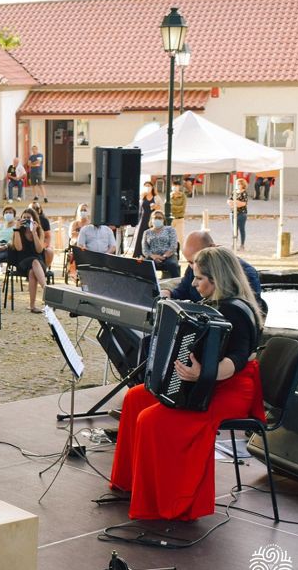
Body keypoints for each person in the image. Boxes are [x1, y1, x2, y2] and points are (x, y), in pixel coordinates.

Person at [110, 246, 265, 521]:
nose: (193, 284)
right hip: (210, 383)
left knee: (152, 419)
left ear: (217, 279)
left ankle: (163, 503)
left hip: (231, 389)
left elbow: (237, 360)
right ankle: (132, 484)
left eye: (199, 278)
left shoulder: (236, 311)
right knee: (136, 398)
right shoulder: (215, 304)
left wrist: (202, 375)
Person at [161, 230, 263, 306]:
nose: (193, 267)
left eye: (197, 259)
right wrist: (168, 293)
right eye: (190, 262)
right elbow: (182, 291)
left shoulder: (247, 273)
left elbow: (252, 310)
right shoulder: (194, 267)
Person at [12, 208, 47, 313]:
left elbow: (39, 249)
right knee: (34, 262)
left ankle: (32, 306)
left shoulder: (39, 230)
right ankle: (46, 289)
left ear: (34, 219)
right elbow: (18, 248)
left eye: (29, 218)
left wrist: (34, 232)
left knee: (33, 271)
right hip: (22, 262)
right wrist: (17, 230)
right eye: (24, 217)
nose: (26, 220)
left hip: (38, 263)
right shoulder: (18, 231)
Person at [141, 210, 180, 278]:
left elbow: (174, 245)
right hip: (152, 256)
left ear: (163, 220)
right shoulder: (147, 232)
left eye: (160, 218)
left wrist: (164, 256)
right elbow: (145, 249)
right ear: (151, 219)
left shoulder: (170, 229)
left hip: (169, 256)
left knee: (172, 264)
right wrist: (153, 256)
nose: (157, 219)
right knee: (145, 265)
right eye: (155, 217)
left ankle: (177, 284)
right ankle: (150, 285)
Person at [133, 182, 160, 258]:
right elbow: (139, 208)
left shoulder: (156, 197)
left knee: (151, 236)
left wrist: (155, 206)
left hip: (152, 218)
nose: (147, 187)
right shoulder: (142, 197)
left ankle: (151, 253)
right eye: (145, 186)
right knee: (141, 235)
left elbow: (161, 208)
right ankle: (139, 253)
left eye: (148, 186)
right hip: (143, 218)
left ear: (152, 187)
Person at [229, 177, 249, 250]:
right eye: (237, 184)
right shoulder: (234, 191)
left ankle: (242, 245)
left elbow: (243, 203)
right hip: (233, 213)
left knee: (242, 229)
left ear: (243, 185)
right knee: (234, 229)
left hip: (241, 214)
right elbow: (229, 201)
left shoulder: (244, 193)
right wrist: (235, 203)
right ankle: (234, 244)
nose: (237, 185)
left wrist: (235, 202)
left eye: (239, 184)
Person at [169, 181, 187, 246]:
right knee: (170, 237)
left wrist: (174, 207)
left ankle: (183, 252)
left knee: (181, 237)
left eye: (177, 186)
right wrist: (178, 207)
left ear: (179, 187)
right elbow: (169, 207)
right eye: (174, 186)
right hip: (171, 219)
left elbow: (183, 208)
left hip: (180, 219)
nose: (175, 187)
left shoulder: (183, 196)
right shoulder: (169, 196)